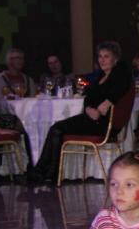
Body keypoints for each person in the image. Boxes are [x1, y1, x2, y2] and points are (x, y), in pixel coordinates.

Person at [31, 41, 131, 182]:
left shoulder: (120, 73)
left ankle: (46, 173)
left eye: (106, 56)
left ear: (115, 59)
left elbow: (124, 83)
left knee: (57, 129)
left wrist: (108, 102)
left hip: (103, 124)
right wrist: (88, 108)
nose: (102, 60)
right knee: (56, 129)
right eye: (100, 56)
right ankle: (45, 173)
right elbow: (88, 97)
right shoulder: (101, 76)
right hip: (91, 119)